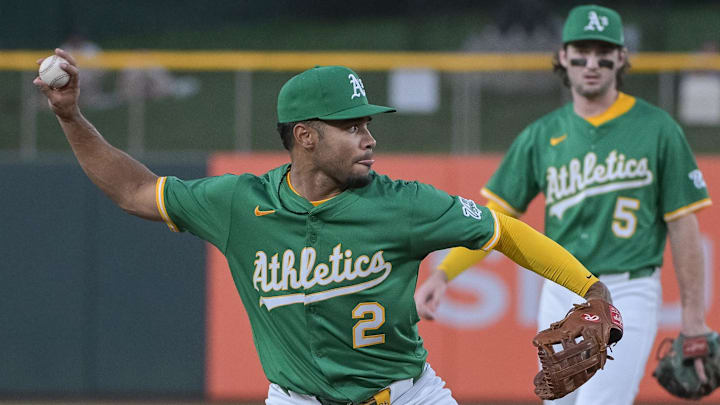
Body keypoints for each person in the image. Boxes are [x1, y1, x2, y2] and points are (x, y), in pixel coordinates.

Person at [36, 49, 616, 405]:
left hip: (408, 396)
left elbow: (503, 231)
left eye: (368, 124)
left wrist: (591, 288)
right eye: (353, 126)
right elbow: (134, 190)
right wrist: (71, 117)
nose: (370, 139)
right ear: (306, 136)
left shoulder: (403, 203)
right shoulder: (239, 203)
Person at [415, 4, 713, 405]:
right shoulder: (543, 135)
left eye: (603, 51)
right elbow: (496, 219)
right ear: (562, 57)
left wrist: (694, 319)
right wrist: (444, 274)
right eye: (581, 51)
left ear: (621, 58)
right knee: (557, 398)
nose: (592, 62)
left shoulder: (658, 129)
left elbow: (684, 226)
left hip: (628, 288)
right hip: (564, 289)